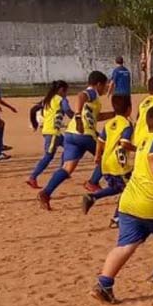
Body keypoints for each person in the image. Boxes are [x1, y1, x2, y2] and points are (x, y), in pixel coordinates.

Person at [91, 104, 153, 304]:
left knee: (126, 245)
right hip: (151, 202)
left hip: (129, 202)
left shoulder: (146, 140)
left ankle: (104, 284)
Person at [38, 71, 114, 210]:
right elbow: (81, 95)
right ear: (98, 84)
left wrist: (115, 114)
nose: (106, 88)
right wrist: (78, 115)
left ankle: (46, 193)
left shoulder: (93, 101)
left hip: (71, 134)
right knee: (107, 157)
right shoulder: (91, 93)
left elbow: (97, 116)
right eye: (105, 85)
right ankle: (93, 182)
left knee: (67, 168)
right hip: (84, 134)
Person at [83, 93, 135, 224]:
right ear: (129, 109)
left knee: (117, 188)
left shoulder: (109, 123)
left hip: (106, 164)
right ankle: (117, 217)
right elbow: (124, 143)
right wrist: (137, 148)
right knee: (129, 189)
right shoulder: (127, 124)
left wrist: (97, 155)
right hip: (119, 164)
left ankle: (93, 196)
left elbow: (100, 141)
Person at [26, 80, 73, 189]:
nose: (66, 94)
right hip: (52, 132)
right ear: (61, 90)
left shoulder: (48, 99)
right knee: (48, 156)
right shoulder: (61, 99)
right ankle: (32, 177)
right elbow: (68, 111)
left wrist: (35, 123)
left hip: (51, 131)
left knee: (69, 147)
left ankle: (63, 170)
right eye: (66, 91)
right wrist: (78, 117)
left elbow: (34, 109)